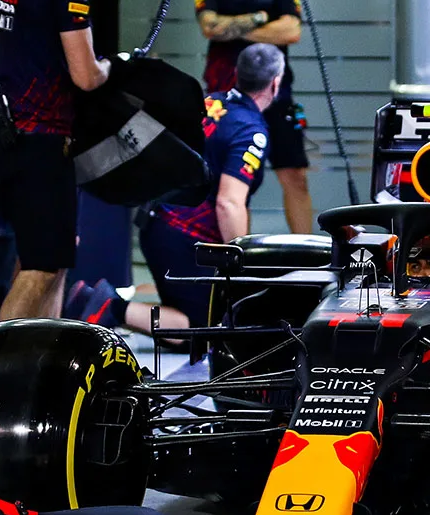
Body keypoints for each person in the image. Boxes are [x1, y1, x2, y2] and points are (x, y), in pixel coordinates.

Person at [66, 44, 282, 332]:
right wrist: (242, 269)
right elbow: (228, 204)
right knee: (204, 327)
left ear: (237, 74)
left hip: (157, 223)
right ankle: (107, 305)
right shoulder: (251, 130)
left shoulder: (212, 102)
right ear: (275, 83)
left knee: (192, 315)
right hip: (184, 235)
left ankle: (99, 302)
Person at [0, 0, 112, 322]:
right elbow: (86, 74)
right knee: (41, 269)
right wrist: (114, 67)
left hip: (12, 138)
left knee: (47, 261)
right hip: (43, 142)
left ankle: (38, 372)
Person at [195, 0, 312, 233]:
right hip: (225, 98)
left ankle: (311, 258)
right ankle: (238, 257)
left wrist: (232, 27)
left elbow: (291, 31)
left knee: (296, 177)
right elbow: (209, 27)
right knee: (231, 184)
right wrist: (261, 18)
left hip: (276, 95)